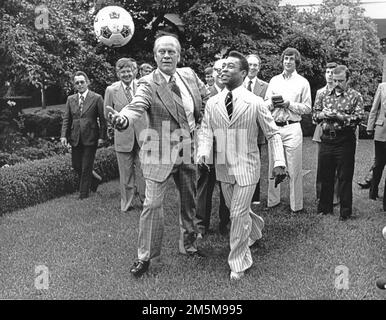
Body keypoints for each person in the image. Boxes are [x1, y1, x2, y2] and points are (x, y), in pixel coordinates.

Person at [106, 35, 209, 278]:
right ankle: (144, 257)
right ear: (154, 56)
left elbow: (205, 99)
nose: (166, 56)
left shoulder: (190, 76)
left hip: (187, 147)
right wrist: (123, 119)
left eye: (171, 52)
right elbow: (136, 105)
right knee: (152, 204)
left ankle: (189, 245)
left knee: (189, 200)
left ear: (179, 55)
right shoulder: (147, 82)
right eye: (161, 52)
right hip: (158, 151)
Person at [197, 51, 286, 281]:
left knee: (236, 214)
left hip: (248, 167)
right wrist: (204, 153)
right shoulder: (213, 103)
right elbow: (206, 130)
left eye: (230, 67)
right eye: (222, 66)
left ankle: (238, 262)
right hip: (223, 167)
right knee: (239, 210)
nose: (223, 70)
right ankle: (255, 229)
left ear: (243, 73)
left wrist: (278, 162)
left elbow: (273, 134)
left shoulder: (255, 103)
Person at [313, 65, 364, 220]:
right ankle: (325, 208)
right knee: (325, 175)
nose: (337, 83)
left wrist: (340, 117)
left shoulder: (355, 96)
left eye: (340, 81)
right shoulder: (323, 95)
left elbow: (359, 116)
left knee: (344, 177)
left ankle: (345, 212)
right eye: (334, 80)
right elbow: (314, 116)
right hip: (327, 138)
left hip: (345, 140)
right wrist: (323, 114)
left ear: (347, 80)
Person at [265, 47, 312, 213]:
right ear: (282, 60)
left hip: (292, 127)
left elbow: (307, 108)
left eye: (291, 59)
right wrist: (272, 103)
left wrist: (289, 104)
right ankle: (272, 201)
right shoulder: (274, 80)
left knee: (294, 168)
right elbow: (265, 105)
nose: (288, 62)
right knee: (273, 165)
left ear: (296, 62)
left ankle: (296, 205)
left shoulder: (302, 82)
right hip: (275, 127)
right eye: (286, 58)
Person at [104, 58, 146, 212]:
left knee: (144, 171)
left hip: (142, 135)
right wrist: (117, 122)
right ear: (118, 73)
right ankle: (126, 203)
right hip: (123, 136)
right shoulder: (111, 90)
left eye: (129, 71)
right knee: (125, 172)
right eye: (123, 72)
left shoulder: (142, 86)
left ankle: (145, 201)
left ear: (134, 71)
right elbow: (107, 113)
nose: (126, 74)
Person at [196, 58, 231, 236]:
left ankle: (225, 222)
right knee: (204, 185)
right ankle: (201, 224)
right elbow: (199, 120)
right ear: (213, 73)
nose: (221, 72)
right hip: (207, 145)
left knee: (227, 183)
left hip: (228, 145)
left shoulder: (236, 93)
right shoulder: (204, 93)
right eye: (218, 69)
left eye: (225, 68)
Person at [61, 71, 107, 199]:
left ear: (87, 82)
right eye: (77, 83)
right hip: (75, 137)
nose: (80, 85)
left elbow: (103, 120)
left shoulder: (97, 98)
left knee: (87, 166)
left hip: (91, 136)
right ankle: (96, 179)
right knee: (76, 165)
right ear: (74, 85)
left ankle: (83, 194)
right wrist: (63, 136)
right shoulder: (70, 99)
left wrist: (102, 137)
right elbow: (66, 119)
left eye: (82, 82)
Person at [313, 62, 339, 204]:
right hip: (322, 131)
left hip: (338, 132)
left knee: (337, 166)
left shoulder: (341, 92)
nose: (329, 75)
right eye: (327, 72)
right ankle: (320, 195)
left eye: (332, 72)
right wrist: (323, 114)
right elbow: (315, 113)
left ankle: (335, 196)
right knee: (322, 165)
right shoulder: (320, 92)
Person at [244, 53, 269, 205]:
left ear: (259, 68)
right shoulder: (237, 83)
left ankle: (255, 197)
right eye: (250, 64)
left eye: (255, 65)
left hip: (257, 131)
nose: (252, 67)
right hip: (239, 131)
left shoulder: (265, 87)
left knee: (255, 163)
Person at [366, 82, 386, 211]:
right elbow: (374, 108)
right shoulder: (382, 86)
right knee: (378, 164)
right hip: (381, 131)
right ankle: (373, 192)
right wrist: (370, 126)